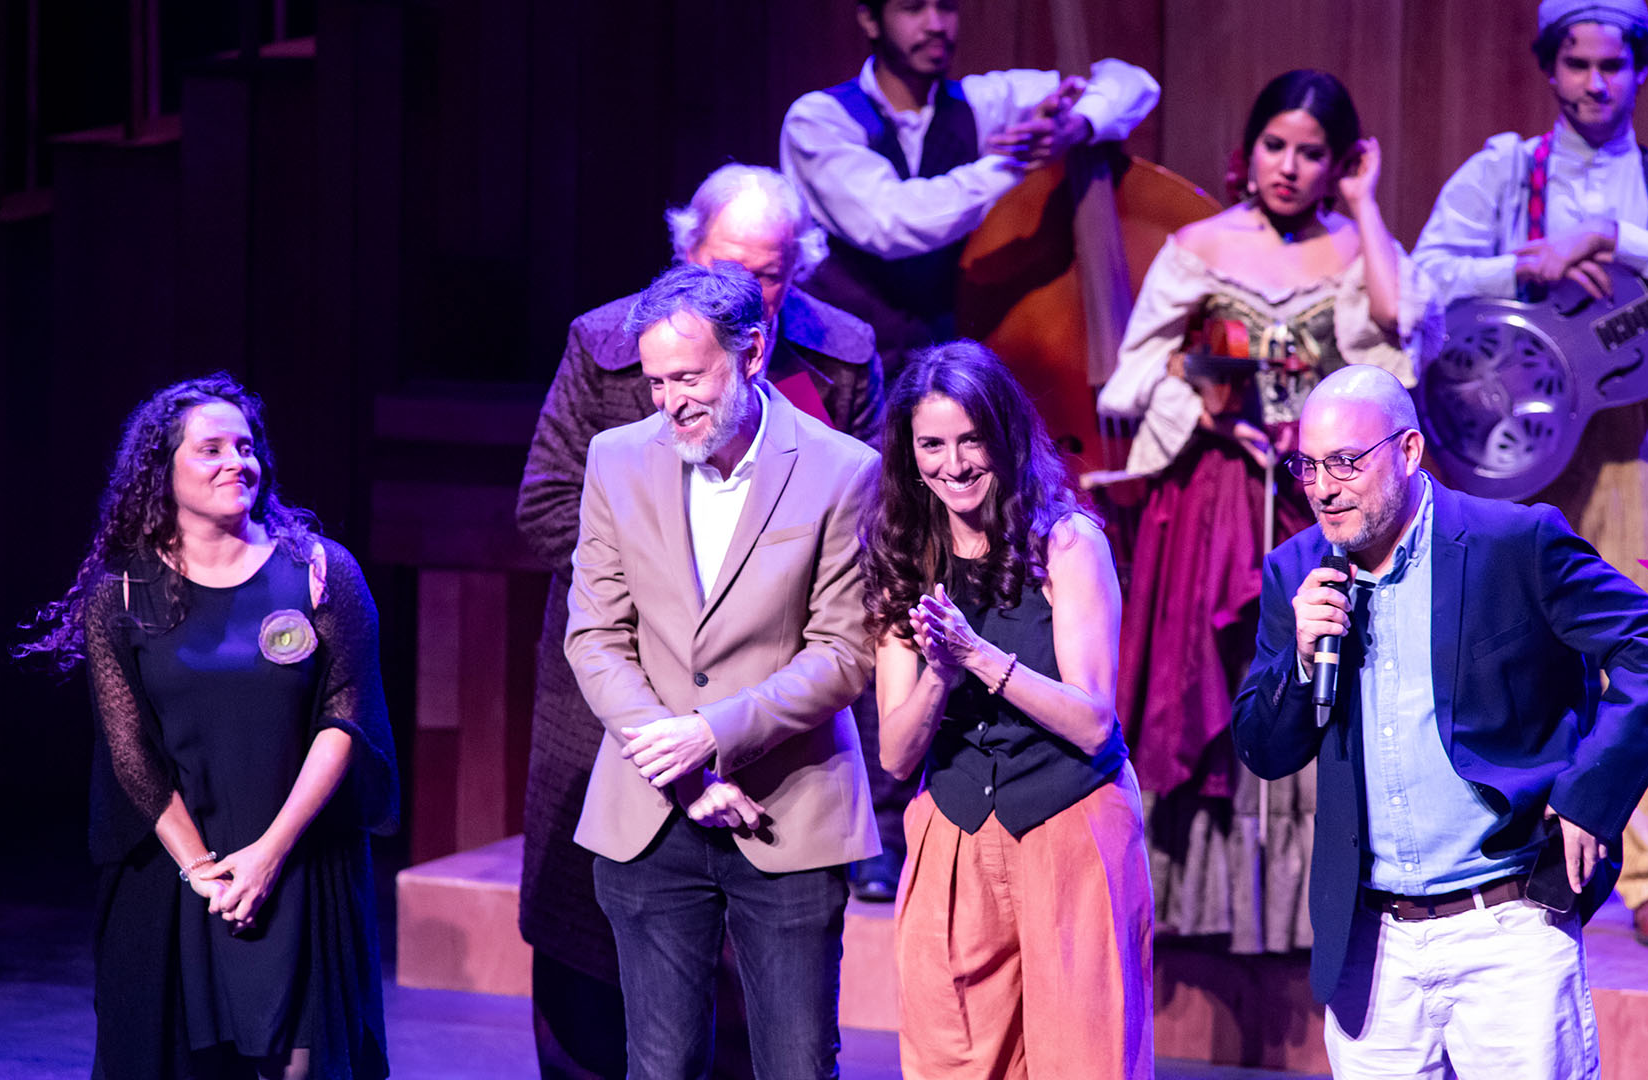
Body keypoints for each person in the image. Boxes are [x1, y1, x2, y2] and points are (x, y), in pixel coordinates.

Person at [514, 164, 883, 1078]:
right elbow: (570, 564)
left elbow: (850, 624)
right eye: (655, 382)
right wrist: (670, 744)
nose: (669, 398)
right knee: (640, 1043)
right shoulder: (611, 384)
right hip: (639, 751)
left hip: (785, 785)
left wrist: (711, 734)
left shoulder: (838, 407)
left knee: (794, 1055)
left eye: (773, 271)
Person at [1233, 365, 1648, 1077]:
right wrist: (1297, 659)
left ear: (1409, 452)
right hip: (1371, 945)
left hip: (1507, 927)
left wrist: (1590, 798)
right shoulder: (1296, 571)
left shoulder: (1514, 541)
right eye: (1308, 466)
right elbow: (1262, 748)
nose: (1322, 488)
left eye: (1347, 463)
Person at [1412, 0, 1648, 947]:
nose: (1597, 83)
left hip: (1641, 437)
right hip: (1516, 435)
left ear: (1642, 69)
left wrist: (1617, 241)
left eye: (1615, 64)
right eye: (1579, 64)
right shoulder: (1507, 170)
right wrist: (1531, 262)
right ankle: (1511, 857)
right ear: (1550, 69)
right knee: (1507, 649)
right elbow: (1424, 274)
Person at [1095, 69, 1441, 953]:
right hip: (1213, 499)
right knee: (1219, 678)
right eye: (1276, 145)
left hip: (1320, 496)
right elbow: (1128, 377)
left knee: (1329, 670)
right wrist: (1192, 384)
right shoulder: (1200, 246)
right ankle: (1206, 907)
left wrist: (1366, 209)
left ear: (1340, 162)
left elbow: (1401, 344)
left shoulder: (1358, 248)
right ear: (1247, 151)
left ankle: (1308, 908)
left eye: (1314, 153)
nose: (1290, 166)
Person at [17, 374, 397, 1080]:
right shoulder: (122, 593)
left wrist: (267, 856)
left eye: (246, 447)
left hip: (298, 864)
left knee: (302, 1065)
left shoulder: (319, 573)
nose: (237, 463)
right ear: (161, 472)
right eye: (211, 449)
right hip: (175, 873)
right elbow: (130, 751)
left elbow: (346, 718)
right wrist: (203, 871)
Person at [862, 340, 1153, 1079]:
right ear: (909, 453)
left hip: (1069, 820)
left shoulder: (1066, 543)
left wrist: (978, 658)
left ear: (1005, 437)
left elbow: (1093, 721)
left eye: (971, 440)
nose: (953, 464)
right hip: (953, 829)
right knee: (952, 1055)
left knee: (1082, 1056)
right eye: (932, 444)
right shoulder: (903, 557)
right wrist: (937, 671)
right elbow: (896, 755)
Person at [780, 0, 1160, 378]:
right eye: (913, 9)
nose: (935, 24)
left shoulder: (981, 102)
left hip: (944, 374)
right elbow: (893, 222)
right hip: (844, 377)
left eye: (946, 7)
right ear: (870, 19)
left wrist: (1078, 124)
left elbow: (1132, 82)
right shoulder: (818, 120)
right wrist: (1017, 158)